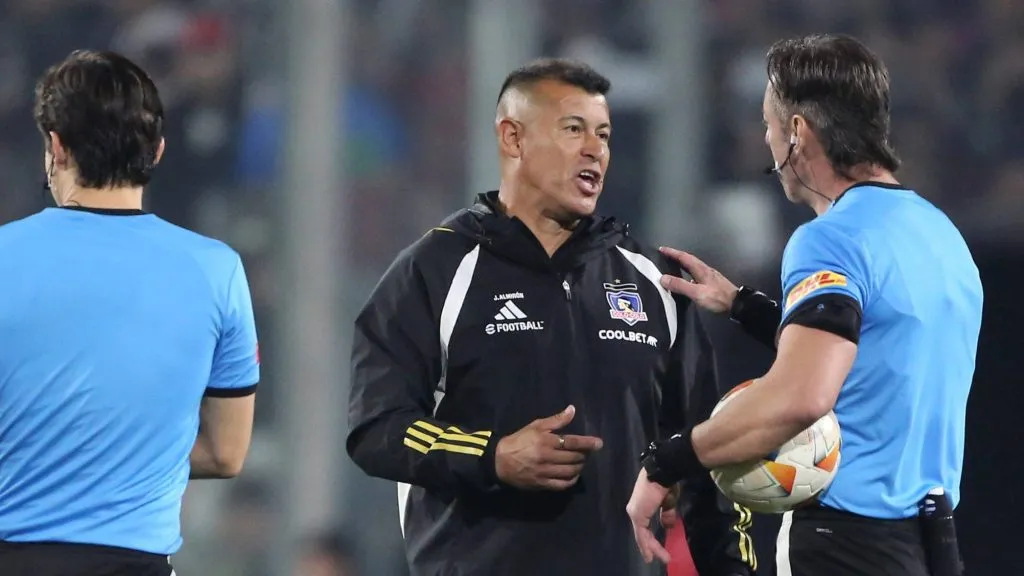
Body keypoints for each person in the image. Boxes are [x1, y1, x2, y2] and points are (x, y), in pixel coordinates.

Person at [347, 58, 757, 576]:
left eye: (603, 135)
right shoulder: (434, 272)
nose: (595, 150)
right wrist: (493, 456)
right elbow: (376, 428)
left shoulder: (655, 283)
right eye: (573, 129)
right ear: (513, 138)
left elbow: (707, 454)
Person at [626, 34, 981, 576]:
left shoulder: (828, 239)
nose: (767, 141)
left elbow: (801, 397)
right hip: (933, 544)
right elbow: (871, 355)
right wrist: (743, 305)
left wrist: (665, 462)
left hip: (846, 543)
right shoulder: (940, 233)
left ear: (797, 132)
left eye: (768, 124)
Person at [0, 50, 259, 576]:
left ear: (56, 148)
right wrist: (120, 456)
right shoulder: (218, 271)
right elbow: (226, 453)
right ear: (157, 151)